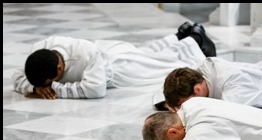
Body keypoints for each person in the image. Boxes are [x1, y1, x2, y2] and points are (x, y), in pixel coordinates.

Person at [11, 21, 216, 100]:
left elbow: (95, 89)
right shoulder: (38, 53)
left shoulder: (85, 53)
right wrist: (36, 88)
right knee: (147, 53)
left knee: (159, 65)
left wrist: (57, 90)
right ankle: (179, 37)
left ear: (58, 67)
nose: (50, 85)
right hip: (108, 52)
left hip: (118, 65)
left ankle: (196, 42)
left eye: (50, 81)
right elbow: (17, 76)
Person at [153, 57, 262, 111]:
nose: (183, 110)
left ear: (198, 89)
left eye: (183, 105)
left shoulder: (233, 86)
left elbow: (224, 118)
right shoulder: (203, 72)